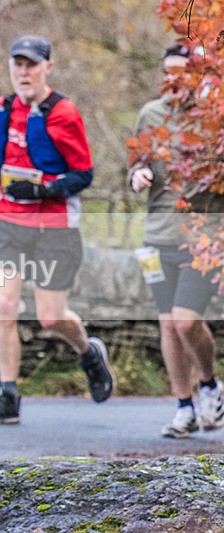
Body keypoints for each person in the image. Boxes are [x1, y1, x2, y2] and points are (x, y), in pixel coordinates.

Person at [0, 34, 114, 424]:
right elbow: (2, 151)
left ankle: (88, 351)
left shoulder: (64, 113)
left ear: (47, 68)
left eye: (31, 64)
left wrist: (43, 189)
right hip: (9, 222)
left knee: (50, 317)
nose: (23, 71)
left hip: (55, 225)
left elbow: (83, 174)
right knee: (2, 304)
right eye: (17, 63)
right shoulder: (4, 107)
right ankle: (8, 398)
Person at [128, 44, 224, 438]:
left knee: (186, 321)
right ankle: (183, 407)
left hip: (201, 238)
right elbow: (136, 163)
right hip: (156, 237)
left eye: (180, 73)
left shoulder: (213, 122)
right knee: (168, 326)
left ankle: (211, 385)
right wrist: (137, 176)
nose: (172, 81)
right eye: (166, 72)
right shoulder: (150, 115)